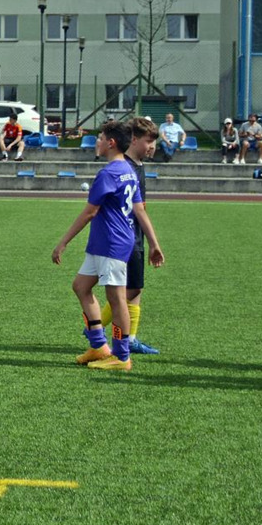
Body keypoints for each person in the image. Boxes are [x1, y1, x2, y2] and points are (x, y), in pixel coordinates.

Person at [51, 119, 165, 371]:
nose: (98, 142)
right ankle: (99, 346)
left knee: (117, 299)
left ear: (111, 143)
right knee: (81, 287)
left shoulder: (108, 173)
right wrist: (154, 243)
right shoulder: (128, 170)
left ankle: (122, 356)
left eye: (101, 138)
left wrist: (63, 242)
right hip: (105, 242)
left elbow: (90, 212)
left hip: (112, 243)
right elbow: (139, 209)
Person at [100, 117, 161, 355]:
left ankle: (130, 339)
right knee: (129, 290)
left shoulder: (137, 165)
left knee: (135, 290)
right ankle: (96, 325)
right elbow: (136, 209)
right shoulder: (125, 167)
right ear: (133, 140)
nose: (152, 147)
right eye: (148, 142)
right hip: (127, 238)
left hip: (135, 236)